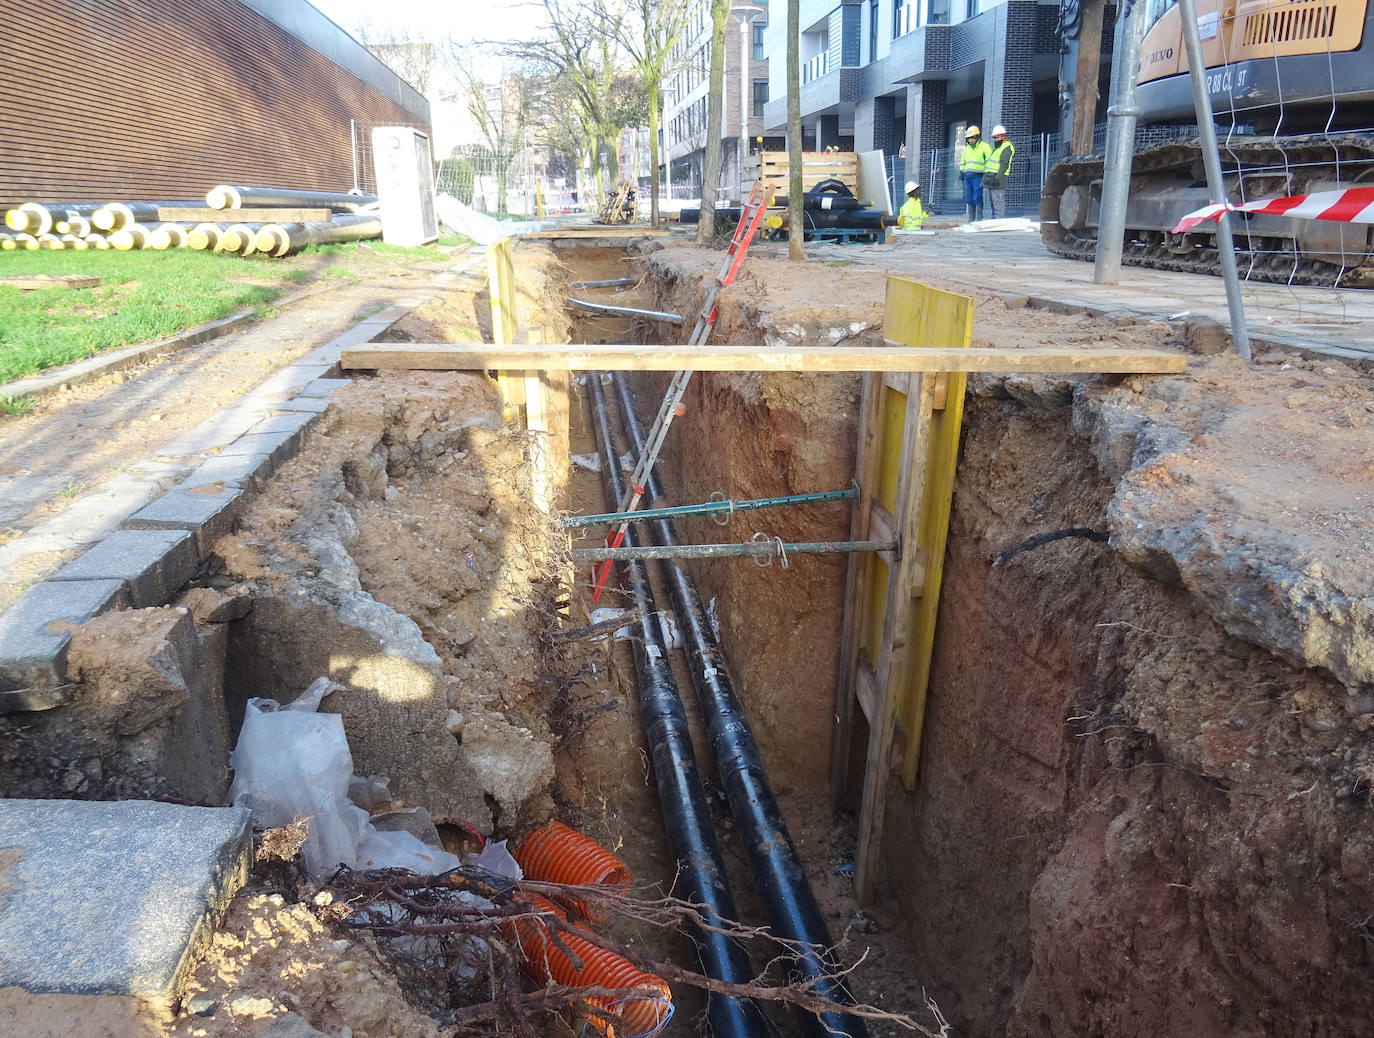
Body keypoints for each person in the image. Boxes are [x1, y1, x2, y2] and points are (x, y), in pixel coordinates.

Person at [958, 125, 991, 222]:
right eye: (969, 138)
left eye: (972, 138)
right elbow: (962, 163)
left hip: (978, 176)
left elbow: (989, 161)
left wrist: (987, 174)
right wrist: (961, 177)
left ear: (977, 136)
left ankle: (978, 218)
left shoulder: (985, 147)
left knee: (977, 197)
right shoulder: (966, 149)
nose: (970, 140)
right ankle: (971, 219)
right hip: (967, 177)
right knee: (969, 197)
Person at [982, 125, 1015, 219]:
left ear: (1002, 136)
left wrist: (997, 179)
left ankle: (999, 220)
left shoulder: (1006, 147)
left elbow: (1004, 165)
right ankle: (995, 220)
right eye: (994, 137)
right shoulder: (999, 147)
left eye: (996, 137)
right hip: (992, 177)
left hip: (998, 178)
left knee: (998, 201)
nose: (995, 139)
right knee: (994, 201)